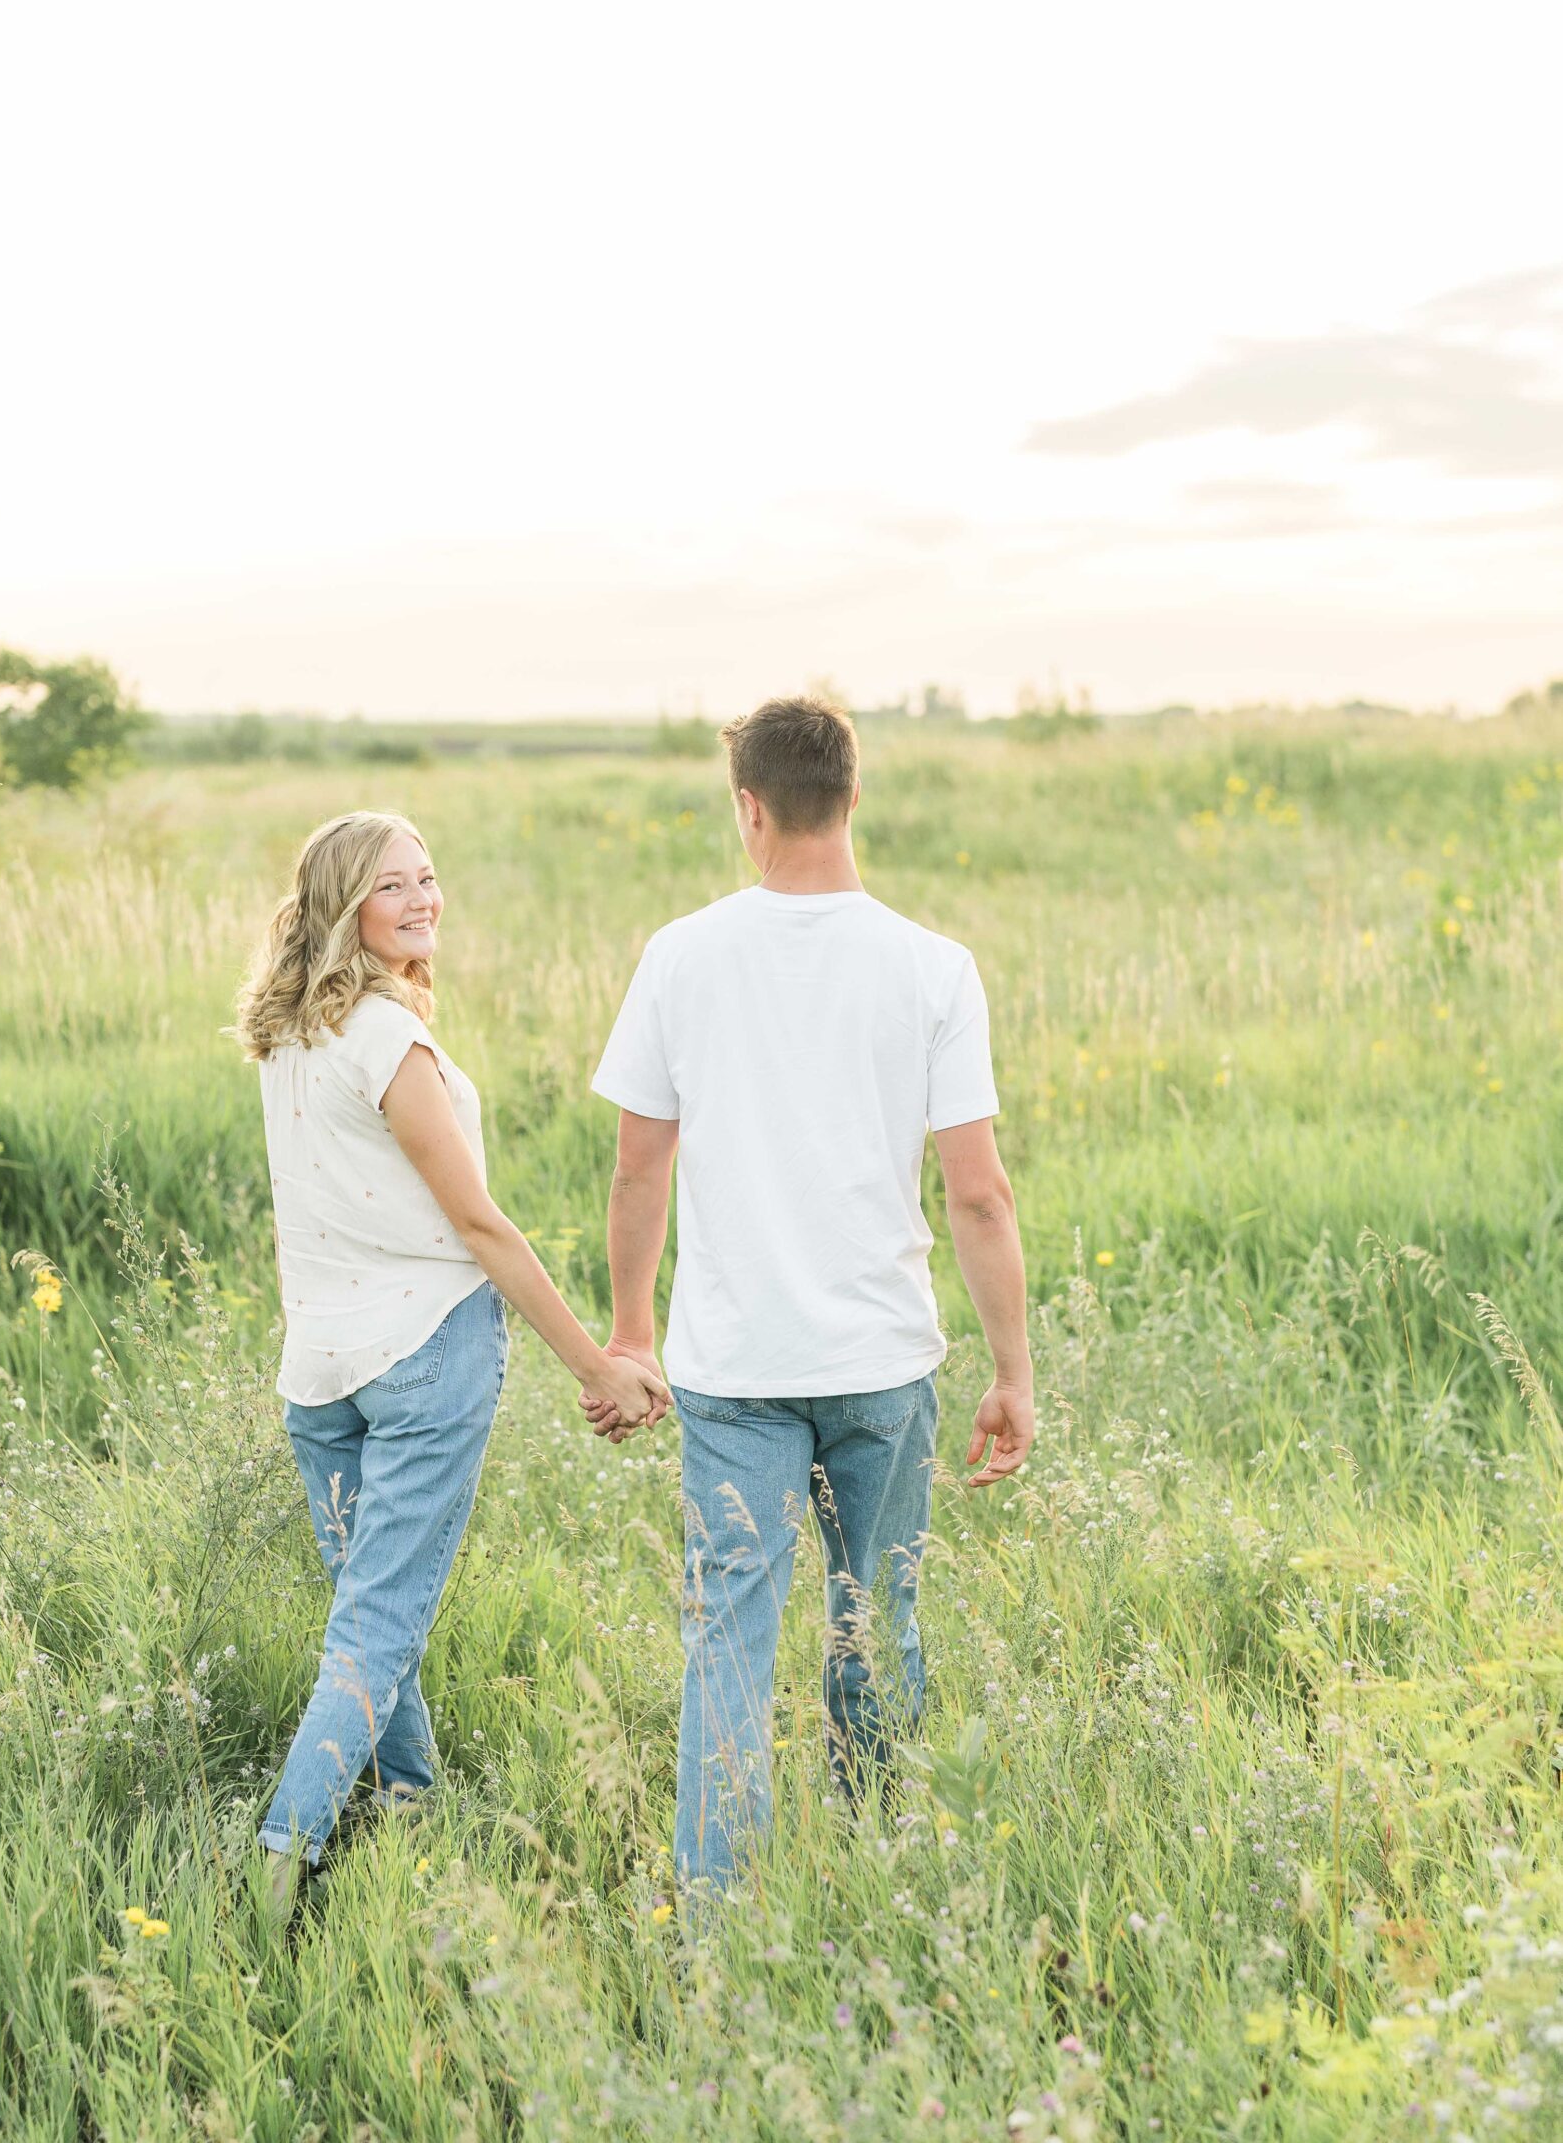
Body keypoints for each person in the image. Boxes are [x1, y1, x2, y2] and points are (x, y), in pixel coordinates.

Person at [583, 697, 1035, 1892]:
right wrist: (1011, 1370)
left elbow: (639, 1162)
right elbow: (977, 1195)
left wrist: (631, 1329)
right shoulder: (932, 966)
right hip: (882, 1364)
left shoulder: (679, 954)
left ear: (748, 806)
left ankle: (714, 1925)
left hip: (733, 1372)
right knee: (875, 1620)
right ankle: (880, 1867)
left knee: (727, 1638)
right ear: (851, 794)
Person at [234, 809, 670, 1923]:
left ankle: (412, 1808)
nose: (425, 899)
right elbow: (479, 1225)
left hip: (321, 1367)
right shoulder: (385, 1040)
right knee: (378, 1625)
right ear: (346, 909)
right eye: (394, 886)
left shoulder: (290, 1033)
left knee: (371, 1614)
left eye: (429, 878)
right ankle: (280, 1866)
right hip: (423, 1357)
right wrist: (595, 1365)